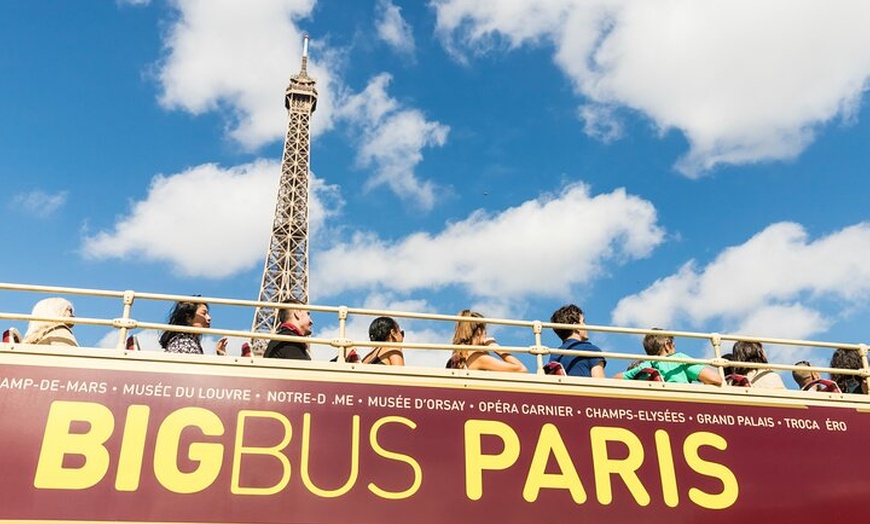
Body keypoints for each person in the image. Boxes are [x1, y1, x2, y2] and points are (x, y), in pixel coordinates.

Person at [618, 329, 721, 385]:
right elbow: (715, 379)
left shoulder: (645, 366)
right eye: (674, 344)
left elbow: (615, 378)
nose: (674, 347)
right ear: (667, 345)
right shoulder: (678, 359)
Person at [446, 310, 526, 373]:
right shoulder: (478, 357)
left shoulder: (458, 358)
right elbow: (521, 369)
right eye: (485, 332)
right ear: (479, 331)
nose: (486, 335)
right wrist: (495, 347)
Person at [548, 304, 605, 378]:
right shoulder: (591, 350)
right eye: (583, 322)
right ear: (576, 326)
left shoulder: (555, 355)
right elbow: (600, 382)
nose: (585, 326)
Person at [159, 300, 227, 355]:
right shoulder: (184, 343)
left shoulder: (188, 342)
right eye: (203, 313)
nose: (209, 318)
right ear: (188, 318)